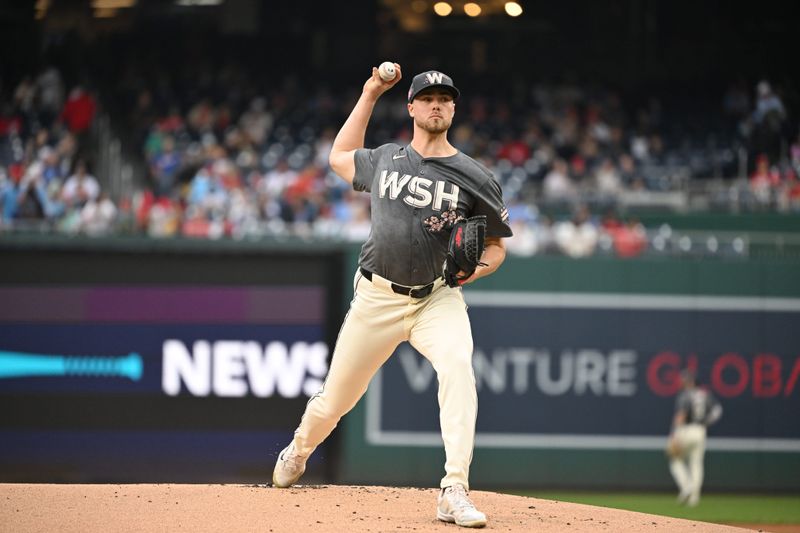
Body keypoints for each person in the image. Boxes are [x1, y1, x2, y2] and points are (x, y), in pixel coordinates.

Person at [272, 65, 513, 528]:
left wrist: (473, 273)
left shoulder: (475, 176)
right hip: (377, 297)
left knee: (459, 367)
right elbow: (340, 155)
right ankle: (299, 449)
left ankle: (454, 488)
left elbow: (497, 248)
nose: (436, 104)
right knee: (334, 402)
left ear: (454, 107)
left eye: (445, 97)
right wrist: (368, 93)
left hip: (437, 297)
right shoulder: (386, 158)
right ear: (412, 108)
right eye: (427, 98)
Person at [667, 369, 723, 507]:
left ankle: (686, 486)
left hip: (686, 430)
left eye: (684, 380)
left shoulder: (685, 395)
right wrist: (704, 422)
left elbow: (680, 416)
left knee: (675, 459)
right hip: (700, 430)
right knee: (696, 464)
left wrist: (675, 435)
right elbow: (717, 411)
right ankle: (694, 498)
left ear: (691, 381)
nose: (681, 382)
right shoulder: (705, 394)